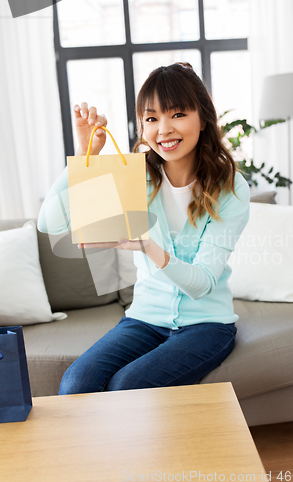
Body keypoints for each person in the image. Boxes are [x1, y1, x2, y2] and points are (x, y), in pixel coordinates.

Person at [38, 62, 250, 394]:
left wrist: (147, 245)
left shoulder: (230, 188)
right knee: (76, 383)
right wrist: (84, 156)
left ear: (203, 116)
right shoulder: (134, 177)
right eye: (151, 118)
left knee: (129, 385)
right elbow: (50, 223)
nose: (163, 129)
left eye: (177, 114)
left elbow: (202, 284)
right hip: (144, 319)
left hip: (206, 325)